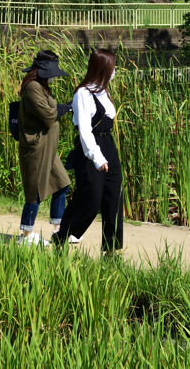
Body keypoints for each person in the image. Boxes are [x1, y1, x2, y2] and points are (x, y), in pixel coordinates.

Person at [53, 49, 123, 252]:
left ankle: (111, 249)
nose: (114, 71)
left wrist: (107, 155)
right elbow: (84, 130)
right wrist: (97, 157)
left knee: (113, 198)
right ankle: (63, 235)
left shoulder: (104, 92)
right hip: (90, 150)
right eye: (112, 67)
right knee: (91, 198)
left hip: (109, 146)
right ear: (103, 68)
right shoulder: (83, 93)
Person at [17, 50, 72, 246]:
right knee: (36, 191)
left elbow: (50, 112)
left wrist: (64, 107)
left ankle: (59, 229)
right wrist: (67, 107)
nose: (54, 77)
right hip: (37, 147)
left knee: (62, 183)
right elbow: (49, 115)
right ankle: (26, 234)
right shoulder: (32, 87)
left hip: (48, 148)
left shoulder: (42, 86)